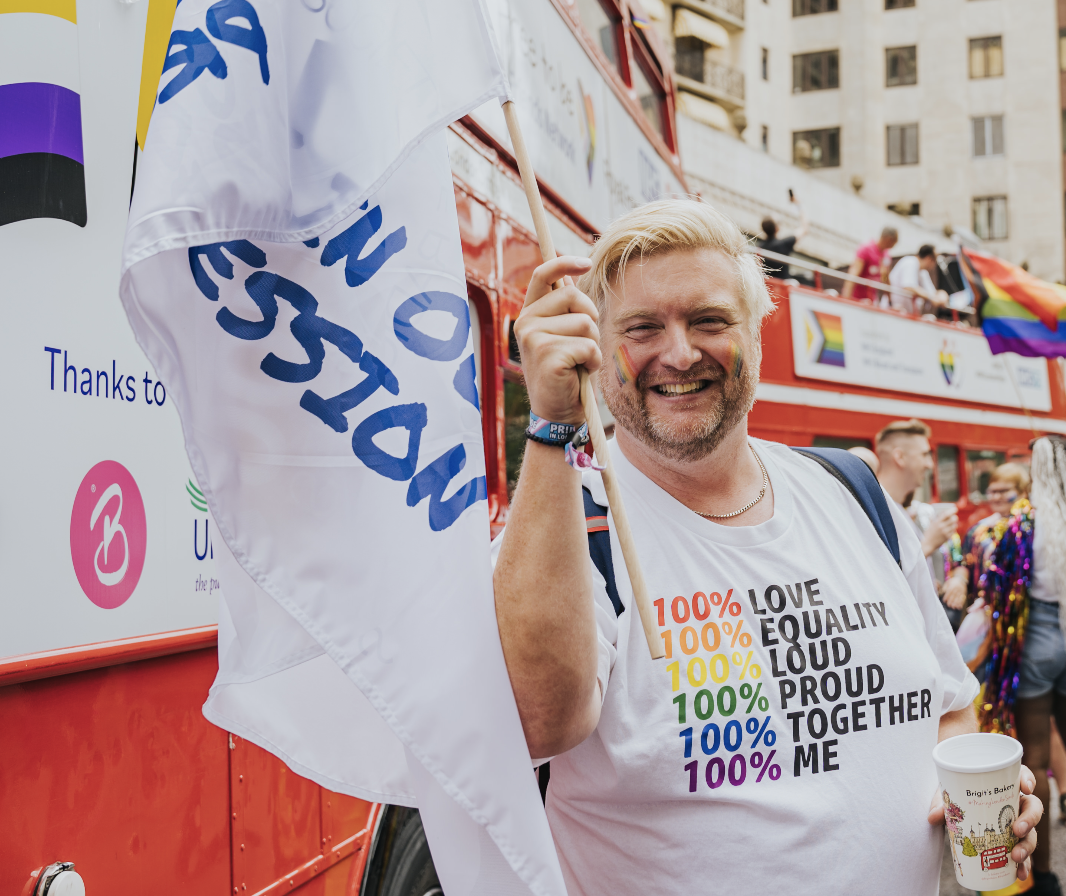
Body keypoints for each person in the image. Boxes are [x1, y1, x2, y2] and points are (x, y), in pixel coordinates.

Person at [492, 198, 1041, 894]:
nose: (680, 352)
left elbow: (947, 706)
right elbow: (537, 726)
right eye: (642, 328)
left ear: (756, 333)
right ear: (599, 350)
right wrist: (554, 424)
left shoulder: (855, 494)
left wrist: (985, 799)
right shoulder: (572, 536)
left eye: (709, 320)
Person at [956, 439, 1066, 895]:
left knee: (1035, 759)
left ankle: (1042, 877)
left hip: (1036, 647)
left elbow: (999, 592)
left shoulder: (1020, 525)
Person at [874, 419, 960, 625]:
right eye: (924, 455)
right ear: (900, 457)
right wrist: (930, 543)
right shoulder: (874, 510)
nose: (930, 464)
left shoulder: (899, 509)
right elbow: (881, 578)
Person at [756, 191, 809, 280]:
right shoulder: (783, 244)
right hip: (782, 291)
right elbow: (805, 228)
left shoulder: (760, 248)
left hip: (767, 289)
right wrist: (798, 204)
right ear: (777, 228)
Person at [887, 244, 949, 317]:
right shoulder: (910, 262)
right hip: (893, 311)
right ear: (929, 259)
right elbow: (909, 287)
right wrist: (930, 297)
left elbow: (932, 293)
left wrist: (943, 294)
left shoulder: (923, 272)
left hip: (907, 315)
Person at [842, 226, 897, 302]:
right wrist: (845, 299)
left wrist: (891, 301)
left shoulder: (886, 255)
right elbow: (852, 275)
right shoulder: (866, 249)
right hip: (856, 299)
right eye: (895, 242)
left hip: (871, 300)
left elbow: (886, 279)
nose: (894, 245)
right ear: (889, 240)